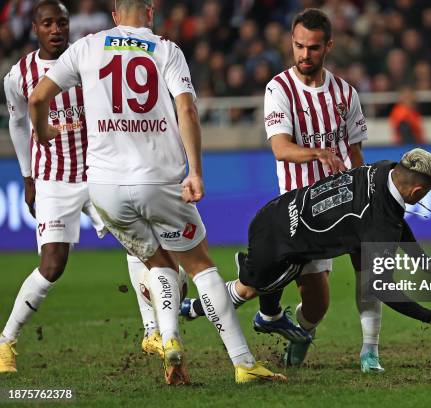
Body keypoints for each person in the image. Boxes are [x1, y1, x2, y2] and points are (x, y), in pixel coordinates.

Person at [28, 0, 284, 385]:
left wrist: (44, 130)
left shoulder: (86, 46)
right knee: (200, 266)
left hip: (105, 188)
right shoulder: (166, 50)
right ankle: (244, 362)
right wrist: (195, 171)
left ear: (115, 16)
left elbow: (36, 98)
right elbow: (188, 111)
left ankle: (170, 344)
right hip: (158, 181)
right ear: (149, 13)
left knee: (159, 263)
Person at [183, 148, 431, 365]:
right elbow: (380, 285)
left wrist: (425, 263)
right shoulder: (380, 223)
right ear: (418, 190)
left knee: (257, 291)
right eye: (427, 192)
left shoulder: (384, 170)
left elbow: (395, 219)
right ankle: (253, 312)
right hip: (281, 247)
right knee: (248, 289)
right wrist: (428, 315)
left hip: (274, 211)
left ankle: (193, 308)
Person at [0, 0, 157, 374]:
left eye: (62, 23)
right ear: (35, 29)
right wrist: (27, 177)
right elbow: (19, 125)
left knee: (139, 245)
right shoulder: (19, 75)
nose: (56, 29)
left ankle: (152, 331)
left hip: (99, 171)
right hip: (53, 177)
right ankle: (6, 341)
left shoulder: (90, 60)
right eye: (48, 23)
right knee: (52, 265)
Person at [259, 8, 382, 373]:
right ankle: (305, 330)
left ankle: (370, 351)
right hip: (303, 208)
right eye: (298, 46)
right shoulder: (278, 89)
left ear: (328, 46)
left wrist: (369, 195)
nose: (304, 55)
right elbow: (281, 148)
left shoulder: (345, 93)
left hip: (346, 199)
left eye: (312, 48)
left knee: (369, 266)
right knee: (317, 304)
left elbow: (355, 151)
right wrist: (317, 152)